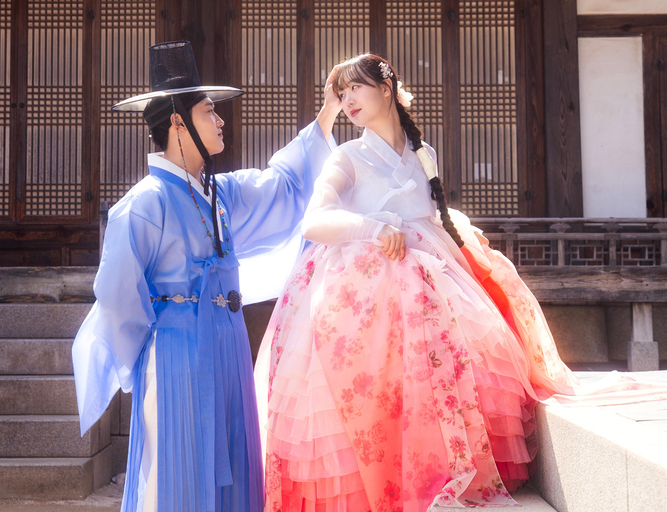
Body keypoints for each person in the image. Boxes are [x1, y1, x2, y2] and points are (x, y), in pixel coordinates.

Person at [255, 53, 667, 512]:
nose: (347, 99)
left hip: (434, 270)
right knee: (380, 379)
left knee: (462, 360)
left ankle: (447, 467)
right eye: (341, 92)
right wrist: (373, 227)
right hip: (370, 280)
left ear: (386, 89)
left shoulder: (422, 153)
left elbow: (428, 212)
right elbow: (315, 222)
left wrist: (459, 229)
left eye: (355, 88)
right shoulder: (347, 157)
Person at [71, 41, 340, 512]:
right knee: (177, 473)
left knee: (235, 462)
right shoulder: (143, 203)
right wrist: (150, 359)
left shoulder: (221, 194)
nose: (220, 121)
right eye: (209, 111)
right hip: (175, 354)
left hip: (230, 345)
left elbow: (284, 186)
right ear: (177, 122)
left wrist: (328, 112)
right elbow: (116, 299)